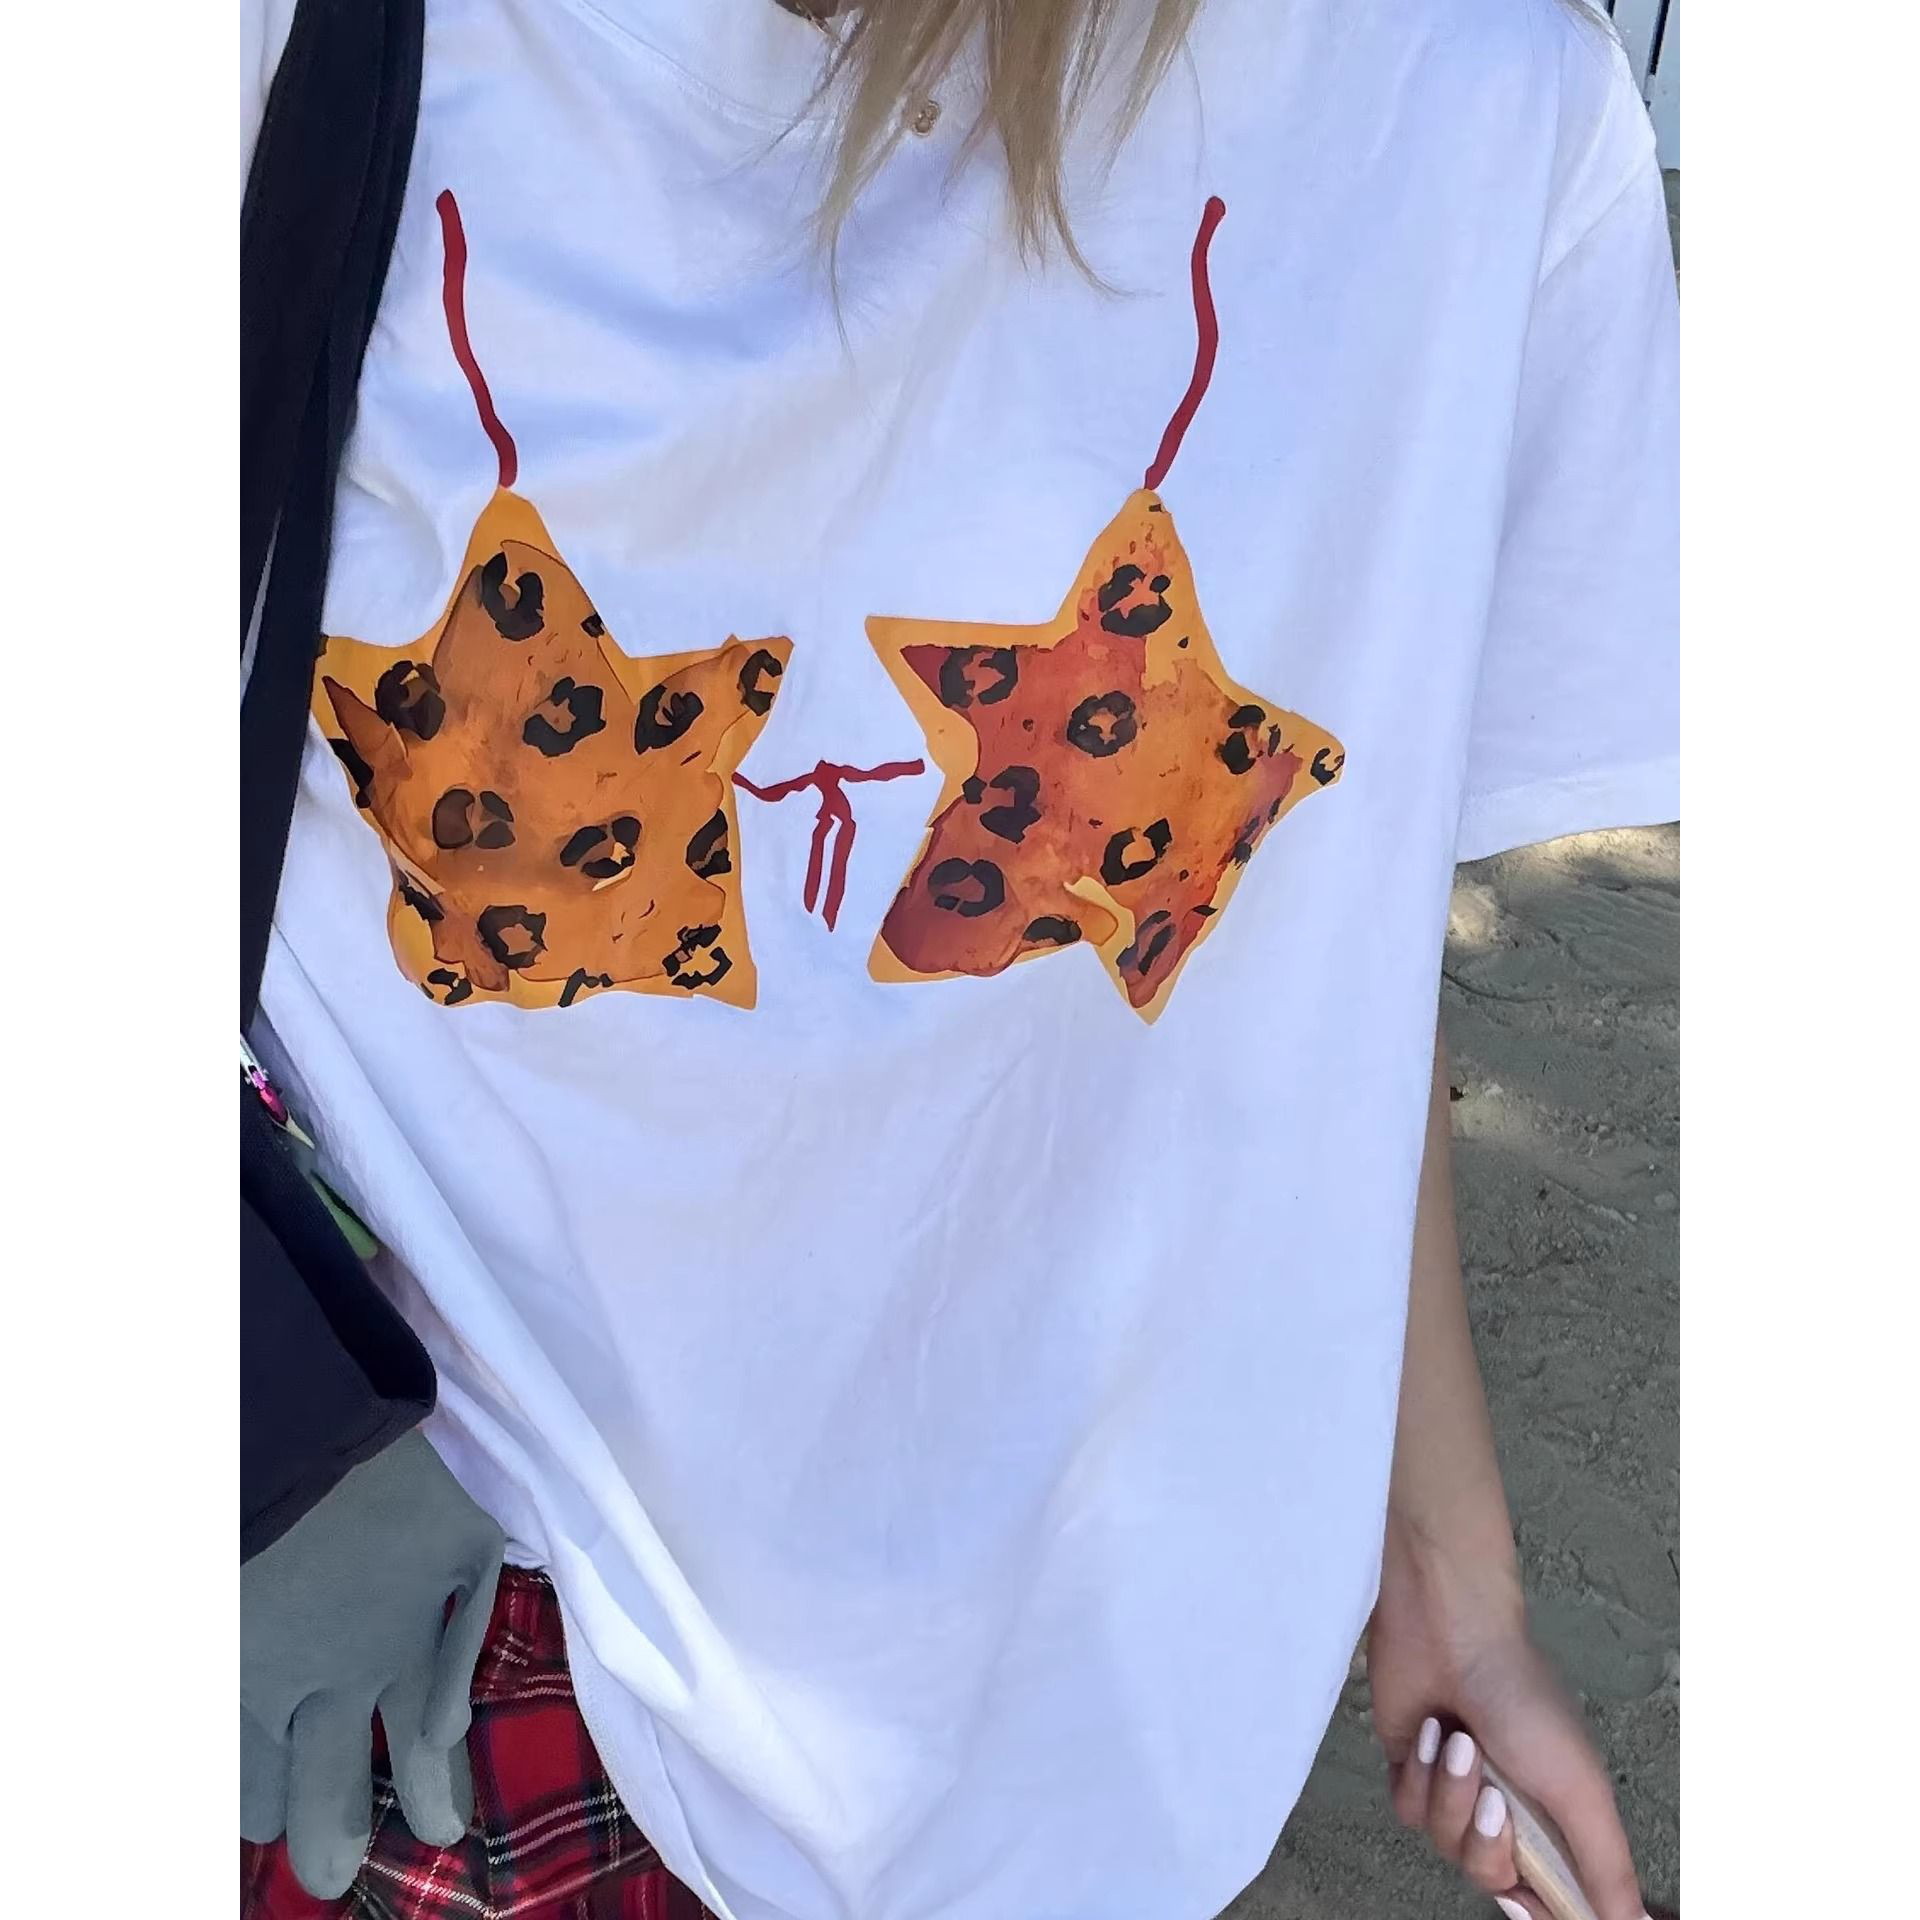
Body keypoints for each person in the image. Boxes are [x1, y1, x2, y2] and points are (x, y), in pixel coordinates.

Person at [238, 2, 1678, 1918]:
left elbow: (1320, 941)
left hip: (1082, 1725)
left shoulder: (1468, 105)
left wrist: (1449, 1570)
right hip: (431, 1645)